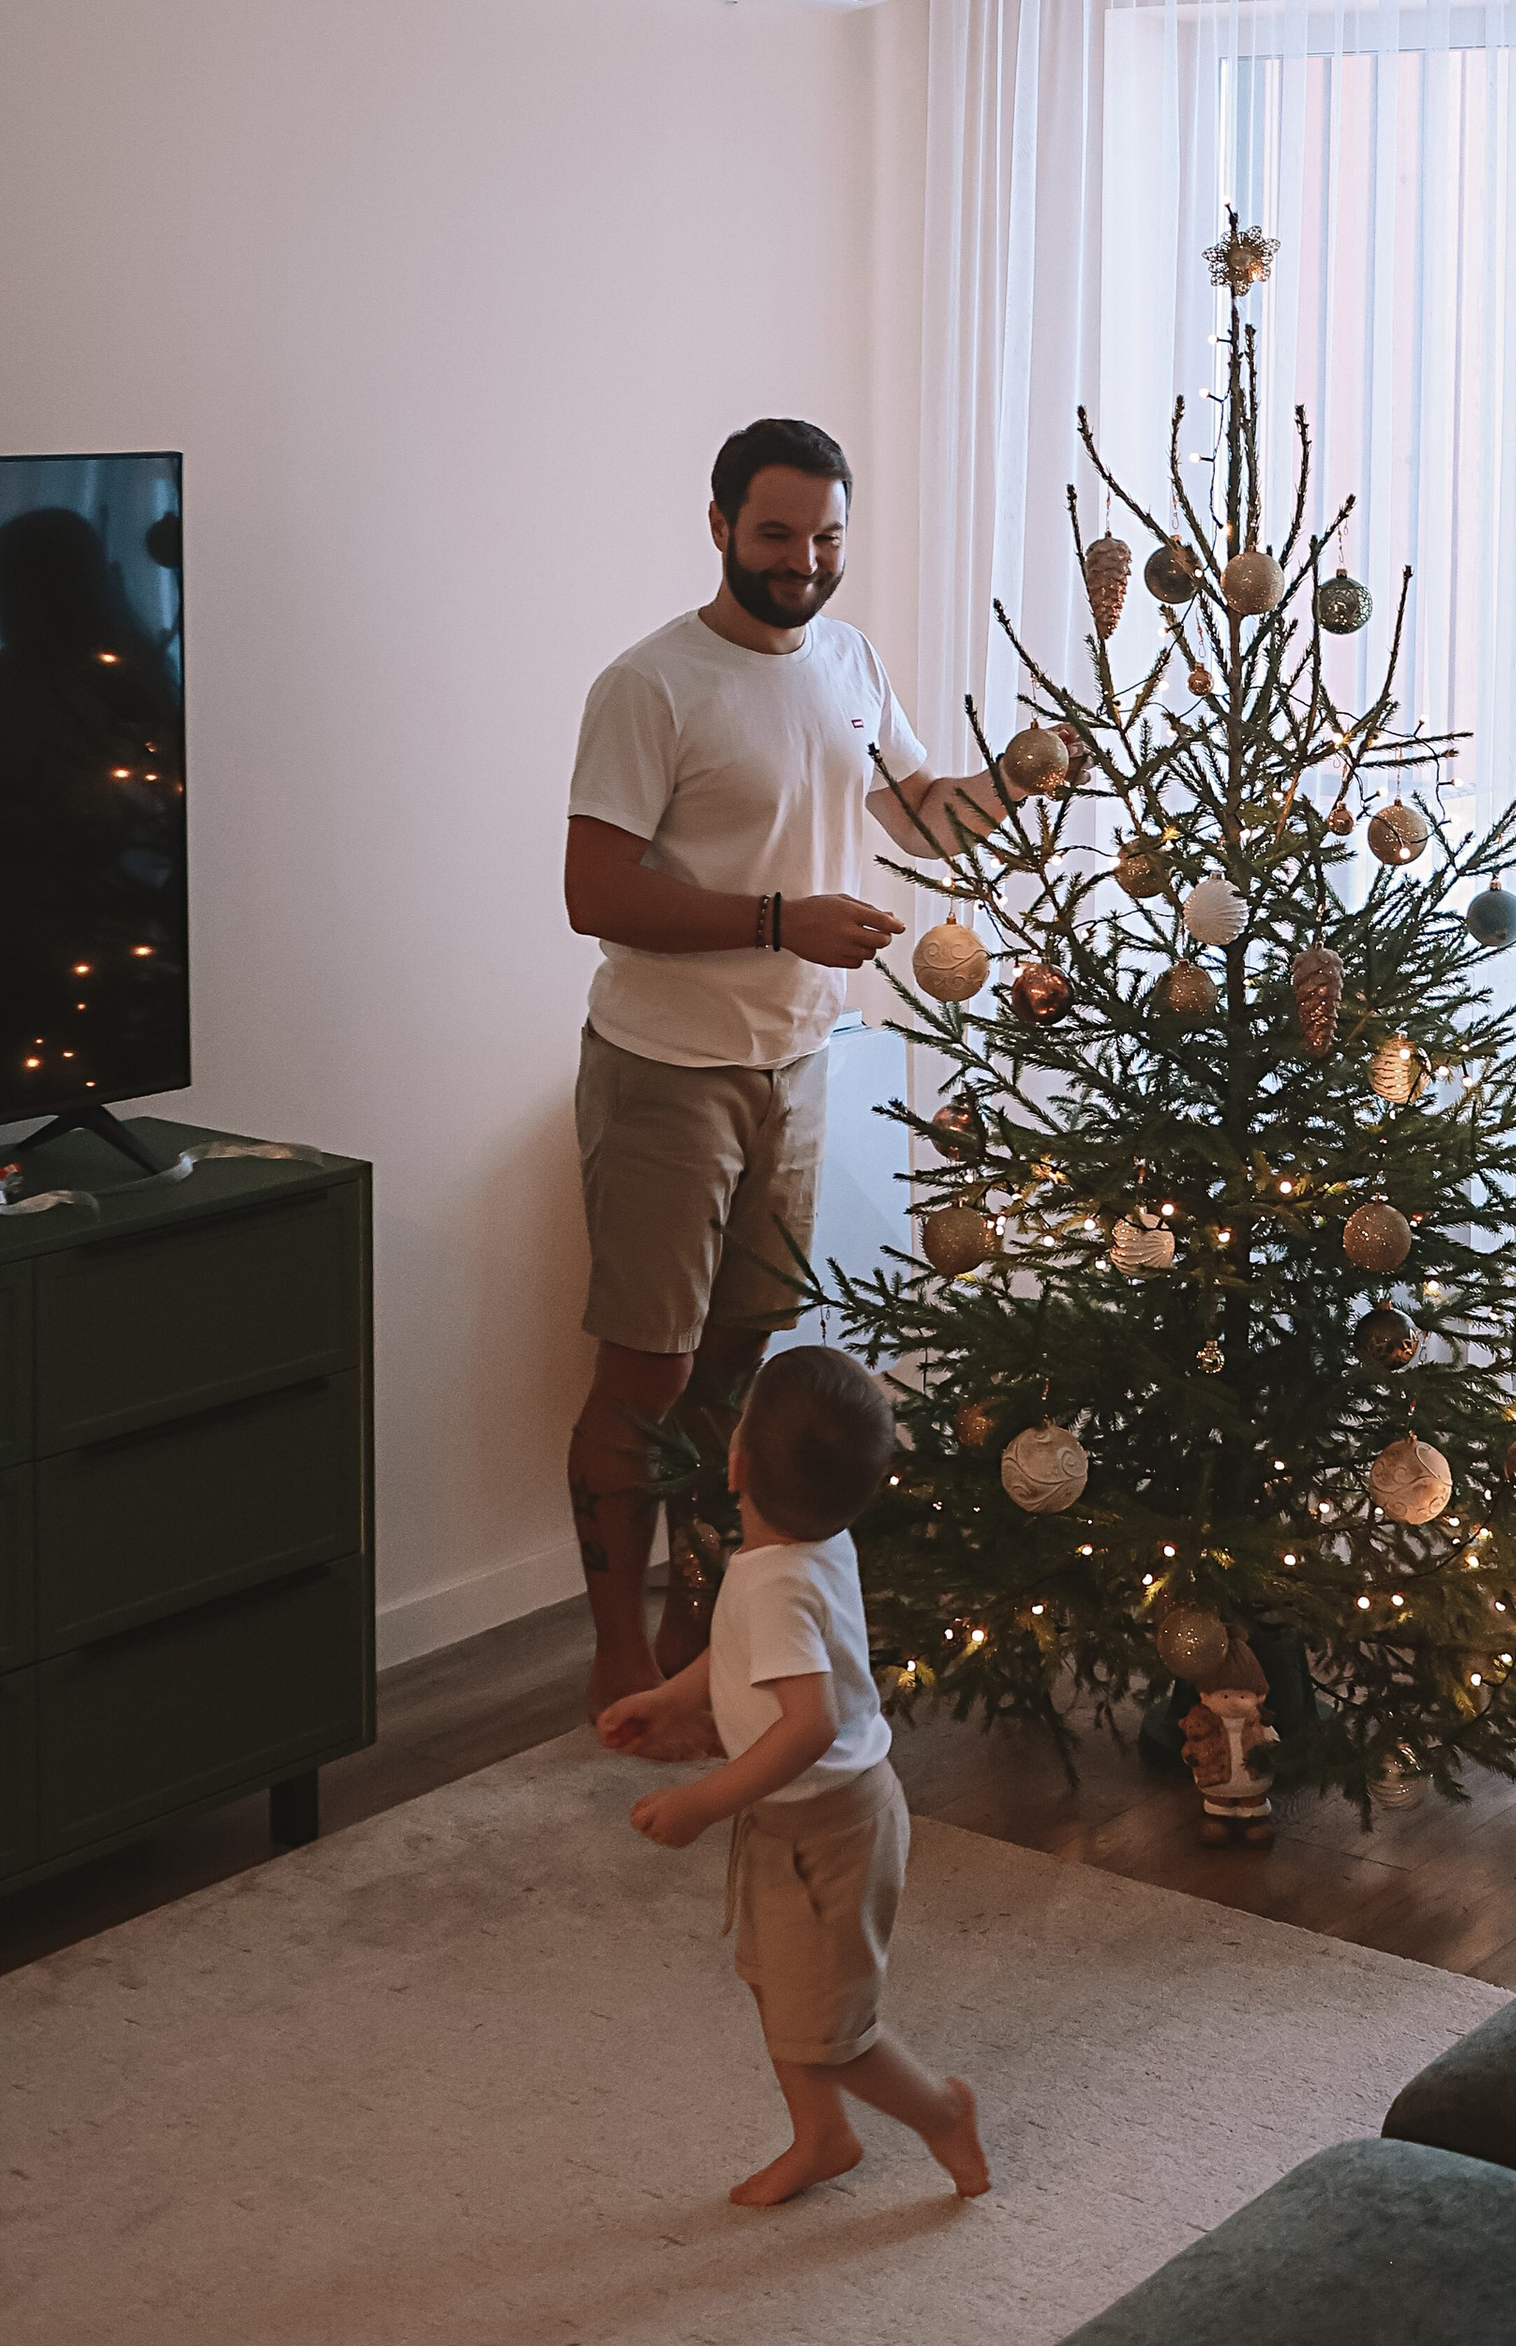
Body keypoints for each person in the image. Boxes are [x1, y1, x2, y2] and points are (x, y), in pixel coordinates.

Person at [564, 416, 1003, 1721]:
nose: (803, 561)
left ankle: (696, 1633)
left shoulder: (851, 662)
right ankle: (617, 1659)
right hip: (665, 1070)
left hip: (800, 1063)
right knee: (645, 1373)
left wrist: (1032, 774)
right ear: (718, 526)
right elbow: (595, 893)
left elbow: (922, 814)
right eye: (775, 534)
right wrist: (779, 921)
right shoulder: (650, 685)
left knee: (734, 1368)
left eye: (825, 538)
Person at [599, 1343, 989, 2210]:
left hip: (831, 1831)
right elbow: (742, 1652)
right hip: (793, 1821)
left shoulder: (775, 1583)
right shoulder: (803, 1550)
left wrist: (702, 1802)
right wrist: (670, 1698)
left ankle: (942, 2112)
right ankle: (822, 2137)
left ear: (736, 1464)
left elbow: (808, 1725)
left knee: (835, 2030)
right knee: (778, 1988)